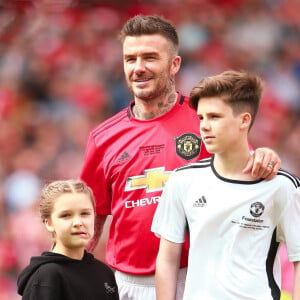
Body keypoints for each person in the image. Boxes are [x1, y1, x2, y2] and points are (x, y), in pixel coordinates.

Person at [80, 15, 281, 300]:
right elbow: (91, 217)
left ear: (174, 64)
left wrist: (264, 155)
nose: (138, 68)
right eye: (130, 59)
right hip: (125, 284)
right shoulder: (103, 137)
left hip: (198, 279)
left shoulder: (204, 120)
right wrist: (71, 269)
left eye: (150, 57)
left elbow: (247, 168)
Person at [151, 70, 300, 300]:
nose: (204, 126)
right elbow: (167, 260)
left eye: (215, 117)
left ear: (244, 120)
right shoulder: (182, 181)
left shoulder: (281, 186)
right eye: (201, 118)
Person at [17, 179, 119, 300]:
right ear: (49, 223)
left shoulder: (104, 273)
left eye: (85, 213)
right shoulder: (47, 276)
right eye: (66, 215)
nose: (78, 222)